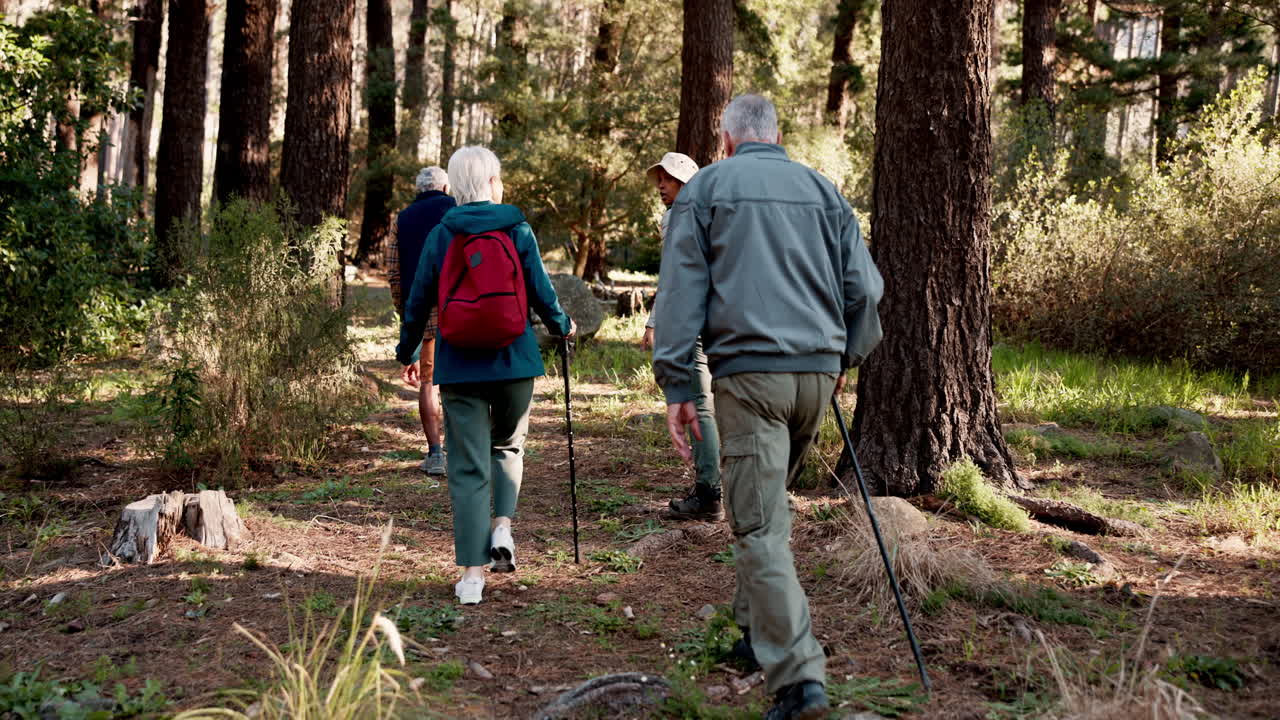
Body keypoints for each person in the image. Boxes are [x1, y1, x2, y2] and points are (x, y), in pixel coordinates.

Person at [650, 95, 883, 720]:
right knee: (768, 510)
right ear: (775, 136)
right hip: (816, 376)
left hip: (750, 378)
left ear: (726, 139)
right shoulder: (824, 191)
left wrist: (676, 383)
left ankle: (800, 679)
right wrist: (844, 358)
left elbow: (680, 292)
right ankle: (754, 635)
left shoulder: (707, 191)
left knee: (757, 525)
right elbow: (866, 288)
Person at [397, 146, 574, 606]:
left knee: (467, 466)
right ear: (493, 181)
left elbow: (418, 300)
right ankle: (503, 528)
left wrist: (406, 348)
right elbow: (540, 288)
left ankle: (472, 576)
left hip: (459, 364)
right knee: (508, 445)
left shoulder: (442, 233)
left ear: (455, 186)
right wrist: (560, 324)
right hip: (514, 360)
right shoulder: (517, 228)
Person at [642, 152, 722, 520]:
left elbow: (673, 277)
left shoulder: (677, 218)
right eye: (659, 178)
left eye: (668, 179)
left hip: (693, 323)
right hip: (723, 319)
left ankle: (709, 493)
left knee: (699, 403)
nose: (661, 185)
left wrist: (656, 321)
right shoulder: (713, 213)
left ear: (685, 183)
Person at [388, 166, 456, 476]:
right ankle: (462, 448)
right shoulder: (457, 210)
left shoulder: (402, 218)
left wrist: (407, 321)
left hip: (424, 315)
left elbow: (395, 274)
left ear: (418, 190)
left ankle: (436, 453)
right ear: (445, 188)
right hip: (460, 309)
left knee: (428, 383)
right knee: (460, 379)